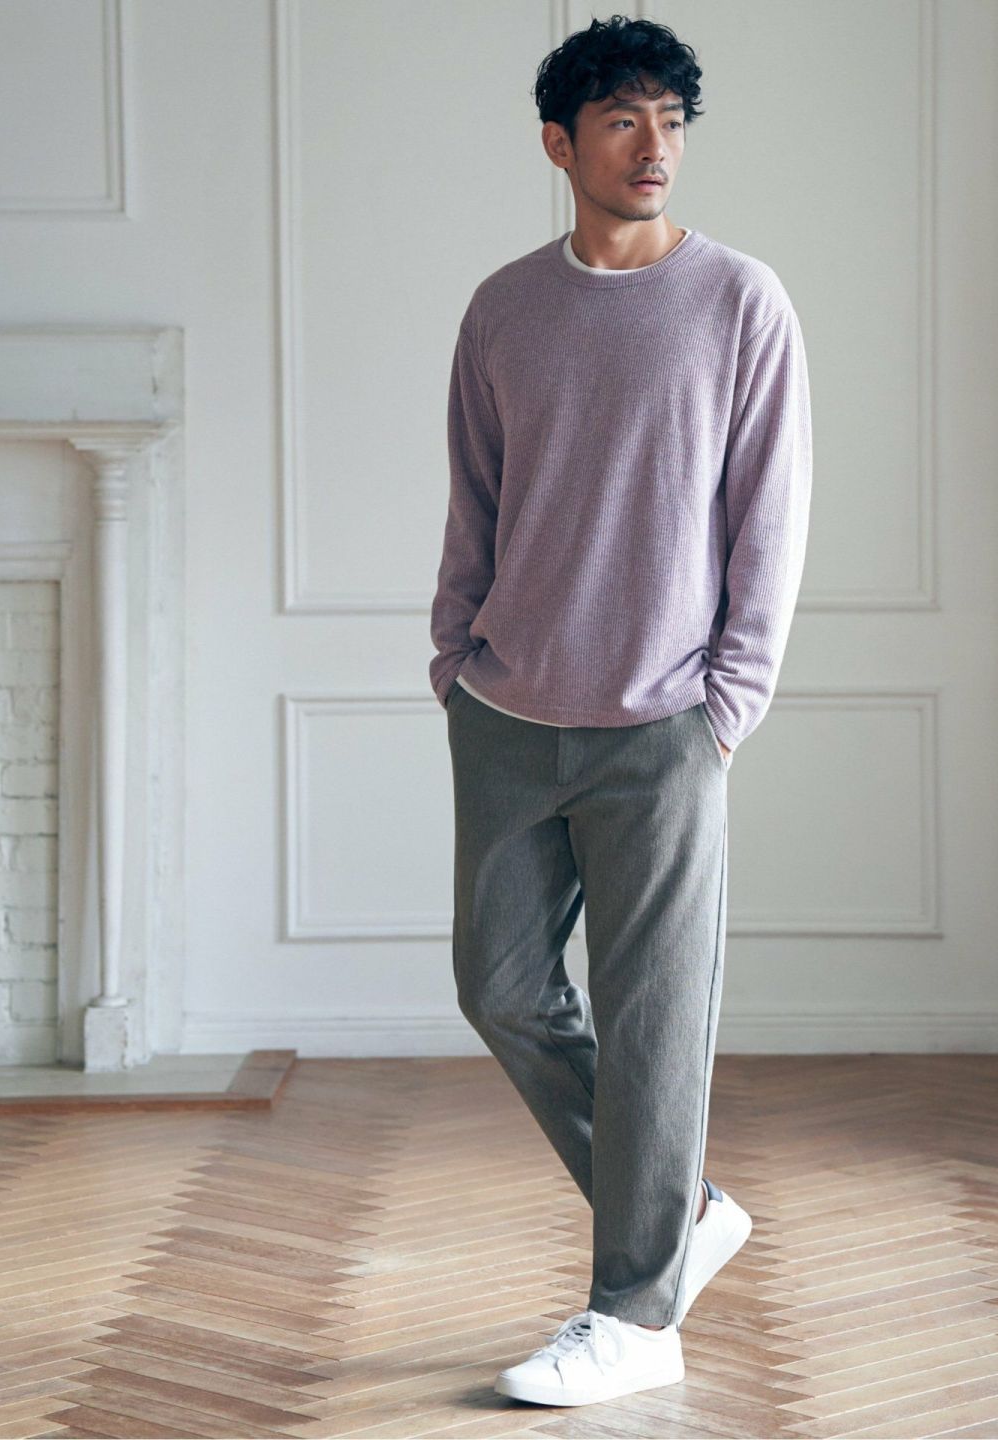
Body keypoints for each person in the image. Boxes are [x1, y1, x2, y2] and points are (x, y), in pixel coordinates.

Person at [428, 12, 813, 1409]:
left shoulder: (740, 303)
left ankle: (635, 1316)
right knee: (500, 987)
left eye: (671, 119)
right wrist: (454, 655)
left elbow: (771, 519)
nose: (654, 146)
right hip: (507, 706)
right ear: (560, 144)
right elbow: (475, 498)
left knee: (655, 1024)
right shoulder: (504, 308)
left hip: (663, 724)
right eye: (621, 120)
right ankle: (681, 1214)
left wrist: (727, 704)